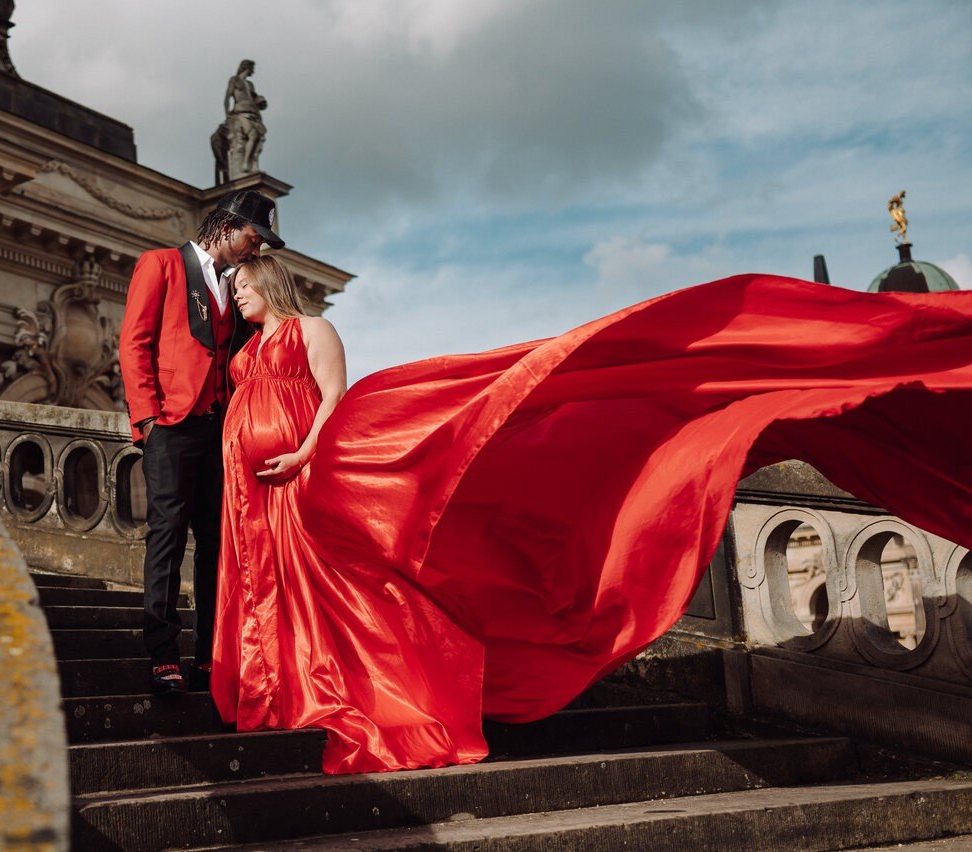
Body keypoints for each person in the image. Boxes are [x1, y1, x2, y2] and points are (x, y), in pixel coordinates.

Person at [212, 258, 972, 774]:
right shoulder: (244, 352)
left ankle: (385, 687)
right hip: (261, 498)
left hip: (303, 474)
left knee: (360, 581)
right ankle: (283, 686)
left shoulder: (313, 329)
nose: (236, 294)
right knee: (292, 596)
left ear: (273, 281)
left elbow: (333, 400)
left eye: (244, 284)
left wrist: (308, 453)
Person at [118, 189, 284, 695]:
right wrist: (148, 420)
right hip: (171, 425)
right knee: (166, 539)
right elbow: (134, 343)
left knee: (217, 545)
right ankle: (163, 656)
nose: (255, 250)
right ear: (229, 225)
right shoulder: (161, 264)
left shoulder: (235, 289)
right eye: (254, 238)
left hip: (220, 431)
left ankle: (210, 655)